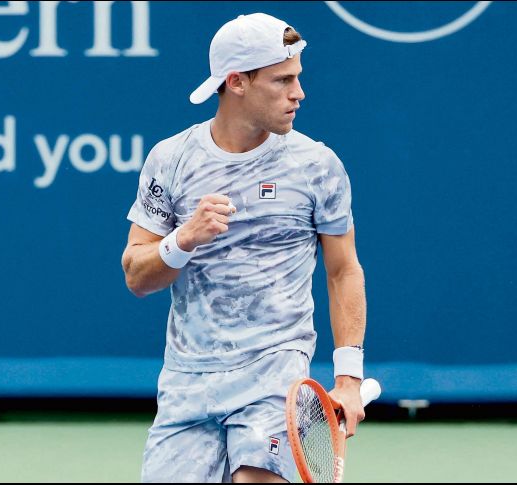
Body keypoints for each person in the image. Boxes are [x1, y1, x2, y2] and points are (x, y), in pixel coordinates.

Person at [121, 12, 367, 483]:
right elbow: (136, 275)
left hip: (276, 374)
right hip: (188, 381)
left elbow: (343, 271)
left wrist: (348, 378)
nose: (299, 93)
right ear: (237, 82)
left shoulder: (318, 166)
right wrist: (183, 239)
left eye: (297, 78)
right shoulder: (170, 160)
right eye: (282, 80)